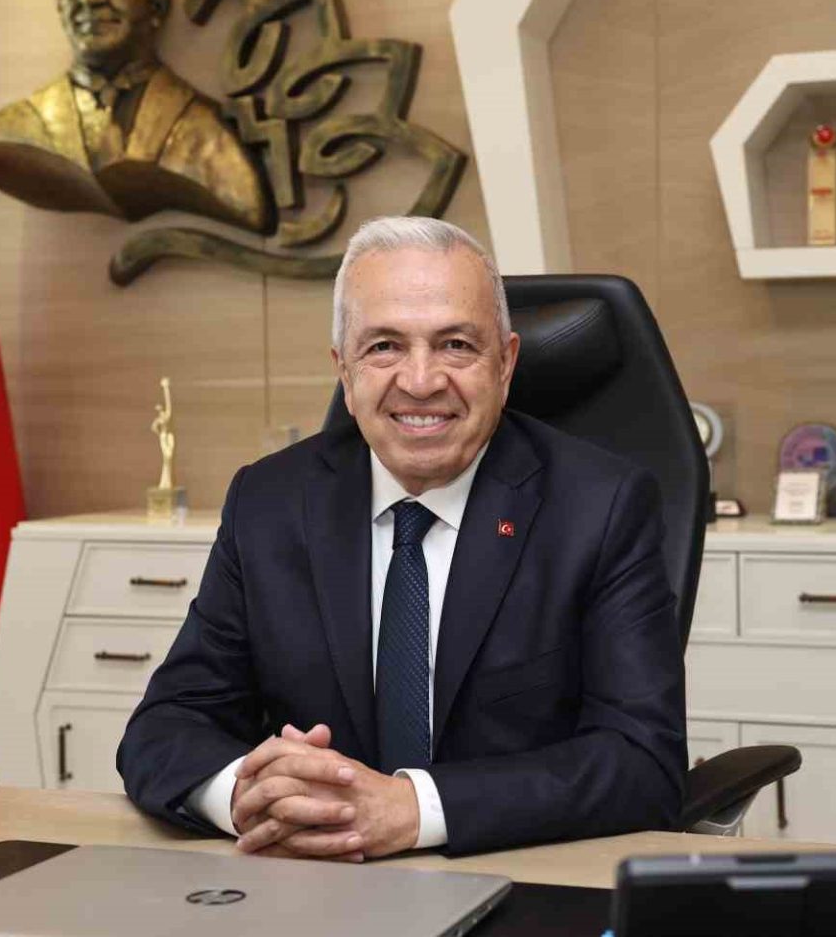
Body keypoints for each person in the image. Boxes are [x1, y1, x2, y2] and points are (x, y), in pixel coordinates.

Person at [118, 216, 685, 858]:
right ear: (344, 370)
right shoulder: (269, 502)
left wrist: (414, 809)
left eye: (456, 346)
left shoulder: (601, 506)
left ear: (506, 364)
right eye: (385, 346)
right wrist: (248, 796)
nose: (420, 381)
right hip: (306, 884)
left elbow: (642, 762)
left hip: (516, 876)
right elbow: (167, 724)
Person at [0, 0, 272, 232]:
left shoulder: (207, 134)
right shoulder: (15, 130)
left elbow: (246, 201)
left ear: (158, 8)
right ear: (59, 7)